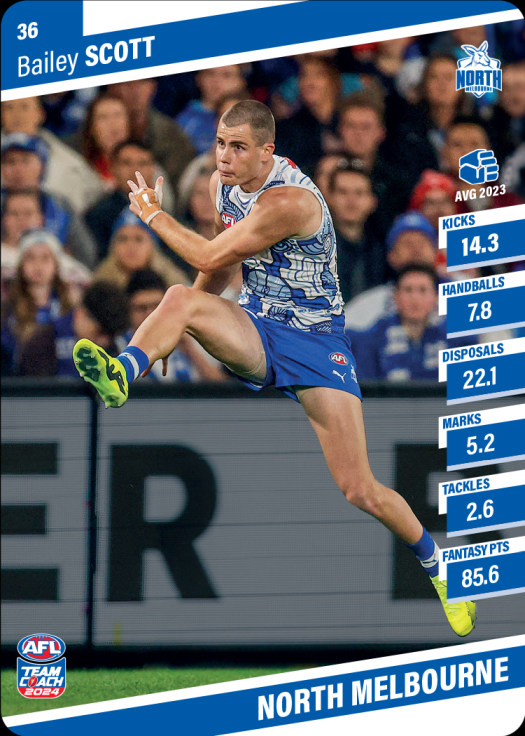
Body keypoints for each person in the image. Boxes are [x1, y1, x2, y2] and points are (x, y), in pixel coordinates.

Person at [72, 99, 475, 637]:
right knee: (177, 298)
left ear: (268, 152)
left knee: (360, 489)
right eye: (220, 143)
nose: (224, 156)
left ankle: (439, 566)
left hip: (316, 344)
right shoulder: (224, 185)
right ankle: (123, 372)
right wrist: (177, 325)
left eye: (238, 147)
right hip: (258, 326)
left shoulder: (290, 200)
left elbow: (207, 256)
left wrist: (152, 215)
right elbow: (221, 266)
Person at [349, 264, 476, 381]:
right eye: (408, 290)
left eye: (423, 290)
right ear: (396, 297)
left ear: (435, 297)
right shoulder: (373, 339)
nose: (415, 298)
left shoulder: (455, 340)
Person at [1, 133, 98, 268]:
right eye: (10, 162)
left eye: (25, 161)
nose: (18, 169)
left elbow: (85, 255)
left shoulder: (61, 205)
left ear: (42, 165)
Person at [1, 95, 104, 213]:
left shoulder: (70, 161)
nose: (17, 115)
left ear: (40, 114)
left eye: (24, 107)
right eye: (9, 108)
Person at [124, 269, 227, 383]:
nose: (150, 314)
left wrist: (189, 349)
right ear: (129, 311)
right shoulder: (119, 346)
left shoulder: (188, 341)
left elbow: (220, 387)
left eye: (156, 306)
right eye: (141, 308)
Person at [344, 211, 440, 331]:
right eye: (407, 244)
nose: (416, 249)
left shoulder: (458, 291)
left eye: (422, 243)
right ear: (391, 256)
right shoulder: (371, 304)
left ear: (436, 253)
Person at [84, 139, 176, 260]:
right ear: (113, 168)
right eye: (126, 163)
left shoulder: (165, 215)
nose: (135, 170)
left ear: (153, 169)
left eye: (143, 163)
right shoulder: (96, 216)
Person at [18, 280, 129, 377]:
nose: (103, 342)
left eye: (110, 337)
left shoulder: (110, 348)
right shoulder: (43, 344)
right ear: (80, 314)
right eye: (99, 333)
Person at [328, 161, 384, 302]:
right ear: (329, 198)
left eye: (359, 193)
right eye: (343, 192)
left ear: (372, 201)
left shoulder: (382, 249)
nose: (351, 200)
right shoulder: (312, 248)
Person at [92, 209, 189, 290]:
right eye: (123, 239)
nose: (130, 246)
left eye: (138, 239)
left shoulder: (177, 287)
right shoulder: (99, 288)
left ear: (153, 246)